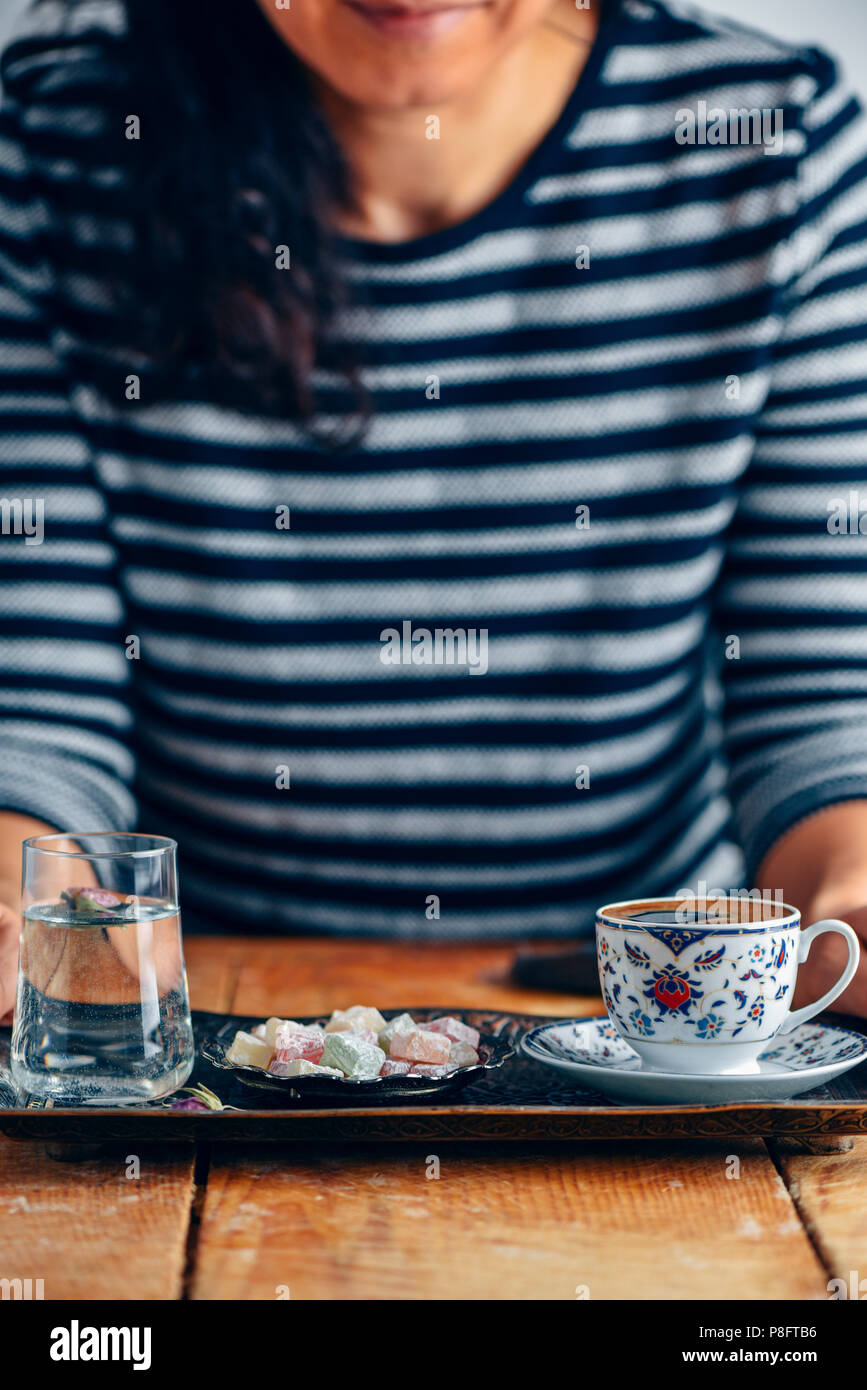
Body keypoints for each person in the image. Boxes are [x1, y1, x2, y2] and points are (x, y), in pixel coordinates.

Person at [1, 0, 866, 1019]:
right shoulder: (48, 157)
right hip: (214, 1018)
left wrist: (847, 901)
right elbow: (39, 716)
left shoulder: (777, 146)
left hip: (634, 1021)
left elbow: (817, 704)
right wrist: (30, 912)